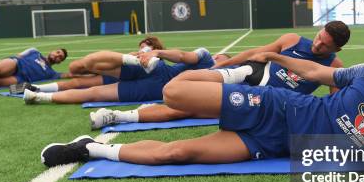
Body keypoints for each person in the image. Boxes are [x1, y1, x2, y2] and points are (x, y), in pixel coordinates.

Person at [40, 54, 364, 169]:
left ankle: (93, 151)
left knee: (175, 154)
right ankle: (238, 77)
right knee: (177, 91)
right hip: (276, 104)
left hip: (271, 143)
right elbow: (317, 73)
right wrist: (275, 61)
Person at [89, 20, 351, 129]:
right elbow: (255, 53)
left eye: (324, 45)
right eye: (319, 38)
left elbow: (333, 104)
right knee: (188, 84)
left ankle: (118, 116)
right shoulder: (293, 39)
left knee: (190, 108)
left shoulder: (334, 67)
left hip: (265, 99)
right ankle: (153, 94)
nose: (317, 45)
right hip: (246, 72)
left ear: (336, 49)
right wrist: (218, 67)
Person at [24, 47, 228, 105]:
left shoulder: (218, 70)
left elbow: (184, 56)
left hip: (159, 82)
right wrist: (156, 53)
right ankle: (130, 59)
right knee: (91, 77)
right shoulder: (213, 65)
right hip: (159, 79)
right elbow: (184, 56)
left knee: (93, 90)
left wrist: (156, 53)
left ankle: (39, 95)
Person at [18, 36, 165, 94]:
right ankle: (29, 88)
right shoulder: (135, 54)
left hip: (120, 78)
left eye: (145, 46)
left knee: (80, 86)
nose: (142, 49)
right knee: (75, 72)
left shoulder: (157, 60)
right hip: (114, 70)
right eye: (141, 46)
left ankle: (35, 90)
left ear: (153, 47)